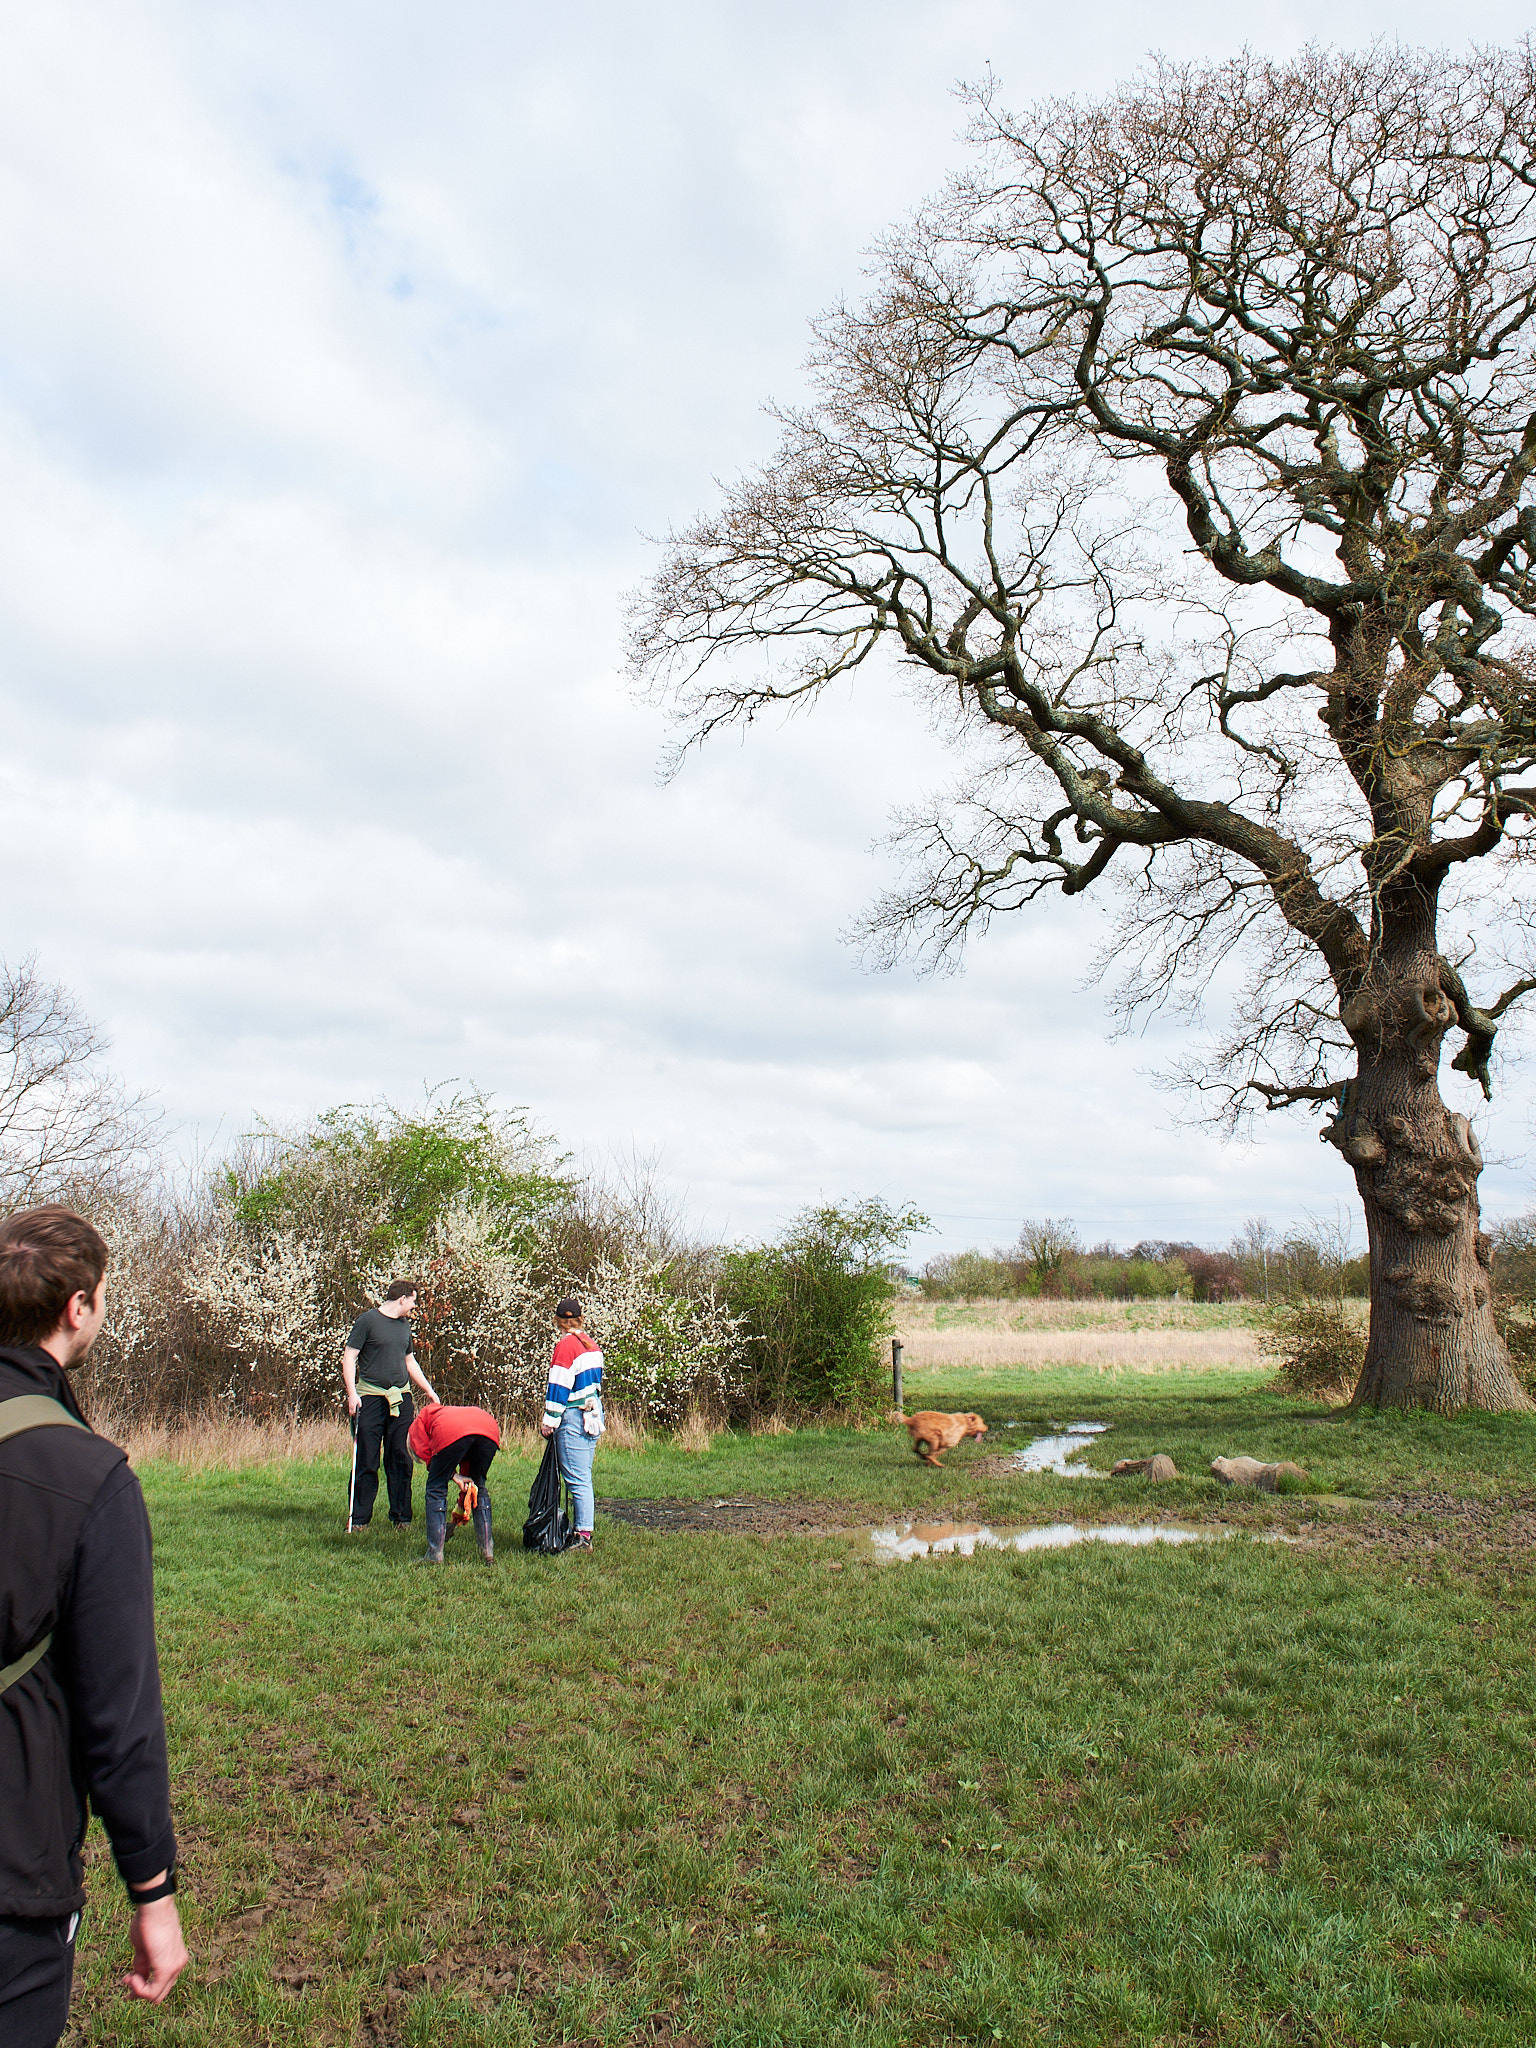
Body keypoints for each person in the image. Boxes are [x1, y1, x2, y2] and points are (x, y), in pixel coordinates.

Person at [0, 1205, 188, 2046]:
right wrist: (153, 1893)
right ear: (78, 1308)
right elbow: (121, 1717)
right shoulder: (89, 1476)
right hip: (13, 1867)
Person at [341, 1280, 440, 1533]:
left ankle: (401, 1517)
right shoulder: (367, 1321)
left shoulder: (404, 1326)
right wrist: (352, 1394)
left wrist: (428, 1390)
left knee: (400, 1457)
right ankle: (359, 1519)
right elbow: (349, 1356)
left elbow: (409, 1361)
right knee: (367, 1459)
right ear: (402, 1299)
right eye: (414, 1300)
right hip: (370, 1399)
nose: (414, 1306)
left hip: (400, 1401)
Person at [540, 1297, 603, 1552]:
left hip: (574, 1417)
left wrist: (549, 1421)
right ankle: (582, 1530)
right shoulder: (591, 1345)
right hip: (593, 1415)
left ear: (557, 1320)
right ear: (580, 1319)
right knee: (583, 1476)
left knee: (577, 1479)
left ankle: (583, 1535)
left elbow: (558, 1386)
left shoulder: (566, 1346)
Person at [406, 1403, 501, 1564]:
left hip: (452, 1429)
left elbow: (423, 1450)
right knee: (477, 1486)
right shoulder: (445, 1413)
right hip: (489, 1429)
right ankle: (487, 1552)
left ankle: (434, 1555)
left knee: (435, 1488)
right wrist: (457, 1515)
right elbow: (467, 1483)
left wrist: (450, 1474)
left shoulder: (420, 1421)